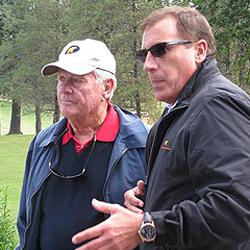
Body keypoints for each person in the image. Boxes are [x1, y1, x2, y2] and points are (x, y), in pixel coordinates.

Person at [71, 6, 250, 250]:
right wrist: (150, 198)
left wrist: (147, 225)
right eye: (144, 54)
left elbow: (238, 210)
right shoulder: (181, 111)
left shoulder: (215, 106)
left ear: (199, 50)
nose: (148, 65)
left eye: (160, 50)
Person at [16, 38, 149, 249]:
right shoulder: (43, 143)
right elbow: (26, 222)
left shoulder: (144, 144)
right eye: (61, 79)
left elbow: (165, 220)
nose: (65, 89)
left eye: (77, 80)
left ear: (107, 86)